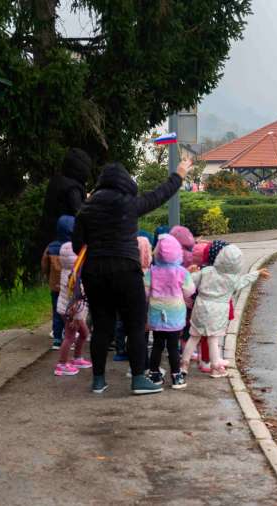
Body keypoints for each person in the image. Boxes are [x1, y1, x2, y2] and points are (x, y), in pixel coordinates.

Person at [72, 159, 191, 394]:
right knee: (135, 325)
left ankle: (98, 381)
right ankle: (138, 379)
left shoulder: (86, 208)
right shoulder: (129, 203)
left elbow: (78, 247)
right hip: (126, 270)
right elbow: (159, 195)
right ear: (125, 181)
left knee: (102, 326)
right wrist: (179, 175)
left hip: (95, 272)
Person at [180, 244, 270, 380]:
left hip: (201, 306)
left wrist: (190, 273)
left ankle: (184, 365)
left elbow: (192, 282)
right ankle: (216, 368)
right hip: (218, 311)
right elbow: (243, 281)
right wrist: (256, 274)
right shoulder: (232, 279)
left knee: (194, 336)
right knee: (213, 340)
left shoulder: (207, 270)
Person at [145, 235, 196, 390]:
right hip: (175, 313)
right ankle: (176, 376)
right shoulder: (182, 272)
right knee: (173, 347)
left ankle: (154, 374)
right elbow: (189, 291)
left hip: (157, 313)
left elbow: (145, 291)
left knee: (157, 345)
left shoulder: (152, 272)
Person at [54, 229, 92, 376]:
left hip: (71, 311)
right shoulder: (74, 277)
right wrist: (72, 316)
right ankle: (62, 364)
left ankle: (77, 357)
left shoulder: (67, 271)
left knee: (84, 333)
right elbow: (74, 297)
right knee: (70, 336)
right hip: (72, 312)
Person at [40, 148, 92, 248]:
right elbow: (79, 214)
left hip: (47, 238)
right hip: (64, 243)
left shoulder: (56, 180)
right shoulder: (73, 188)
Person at [41, 215, 73, 350]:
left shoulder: (51, 246)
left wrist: (47, 274)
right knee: (70, 311)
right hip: (70, 285)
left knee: (56, 310)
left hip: (55, 285)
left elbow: (44, 264)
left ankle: (57, 338)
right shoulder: (74, 246)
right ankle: (69, 336)